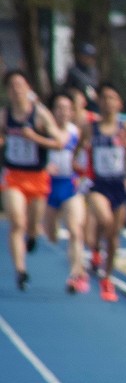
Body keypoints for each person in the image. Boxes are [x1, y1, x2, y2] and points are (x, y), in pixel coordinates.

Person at [81, 83, 126, 301]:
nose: (109, 102)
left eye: (113, 98)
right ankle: (95, 250)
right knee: (106, 220)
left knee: (113, 238)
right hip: (98, 186)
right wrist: (78, 165)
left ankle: (107, 278)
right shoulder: (90, 127)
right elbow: (78, 151)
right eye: (104, 98)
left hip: (119, 187)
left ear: (119, 103)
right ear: (99, 102)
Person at [4, 70, 59, 291]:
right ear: (8, 91)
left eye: (20, 85)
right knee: (17, 222)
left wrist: (34, 137)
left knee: (33, 224)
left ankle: (34, 234)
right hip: (13, 176)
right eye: (12, 86)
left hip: (37, 177)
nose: (17, 90)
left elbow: (59, 141)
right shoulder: (4, 115)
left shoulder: (40, 114)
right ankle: (20, 270)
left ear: (28, 89)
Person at [39, 91, 88, 294]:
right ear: (52, 111)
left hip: (70, 185)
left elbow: (84, 159)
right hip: (48, 187)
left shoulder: (77, 133)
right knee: (51, 236)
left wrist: (80, 169)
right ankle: (76, 267)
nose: (63, 112)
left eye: (67, 109)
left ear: (72, 112)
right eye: (59, 108)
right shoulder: (43, 131)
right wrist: (43, 167)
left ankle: (76, 275)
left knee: (76, 231)